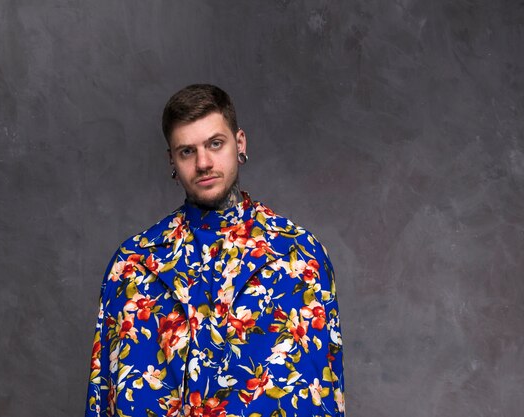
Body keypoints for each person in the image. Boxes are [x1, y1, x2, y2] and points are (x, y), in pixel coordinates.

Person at [85, 84, 345, 416]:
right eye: (187, 151)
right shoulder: (134, 264)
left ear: (240, 144)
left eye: (215, 144)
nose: (204, 163)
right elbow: (101, 395)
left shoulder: (299, 255)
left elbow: (328, 392)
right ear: (172, 162)